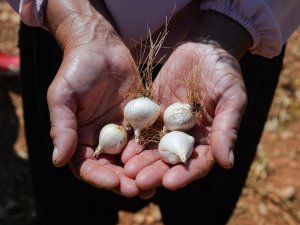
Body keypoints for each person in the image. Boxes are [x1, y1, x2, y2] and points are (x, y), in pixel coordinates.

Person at [7, 0, 300, 224]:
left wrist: (232, 26)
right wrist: (69, 17)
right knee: (71, 211)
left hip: (232, 52)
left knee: (202, 211)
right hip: (71, 41)